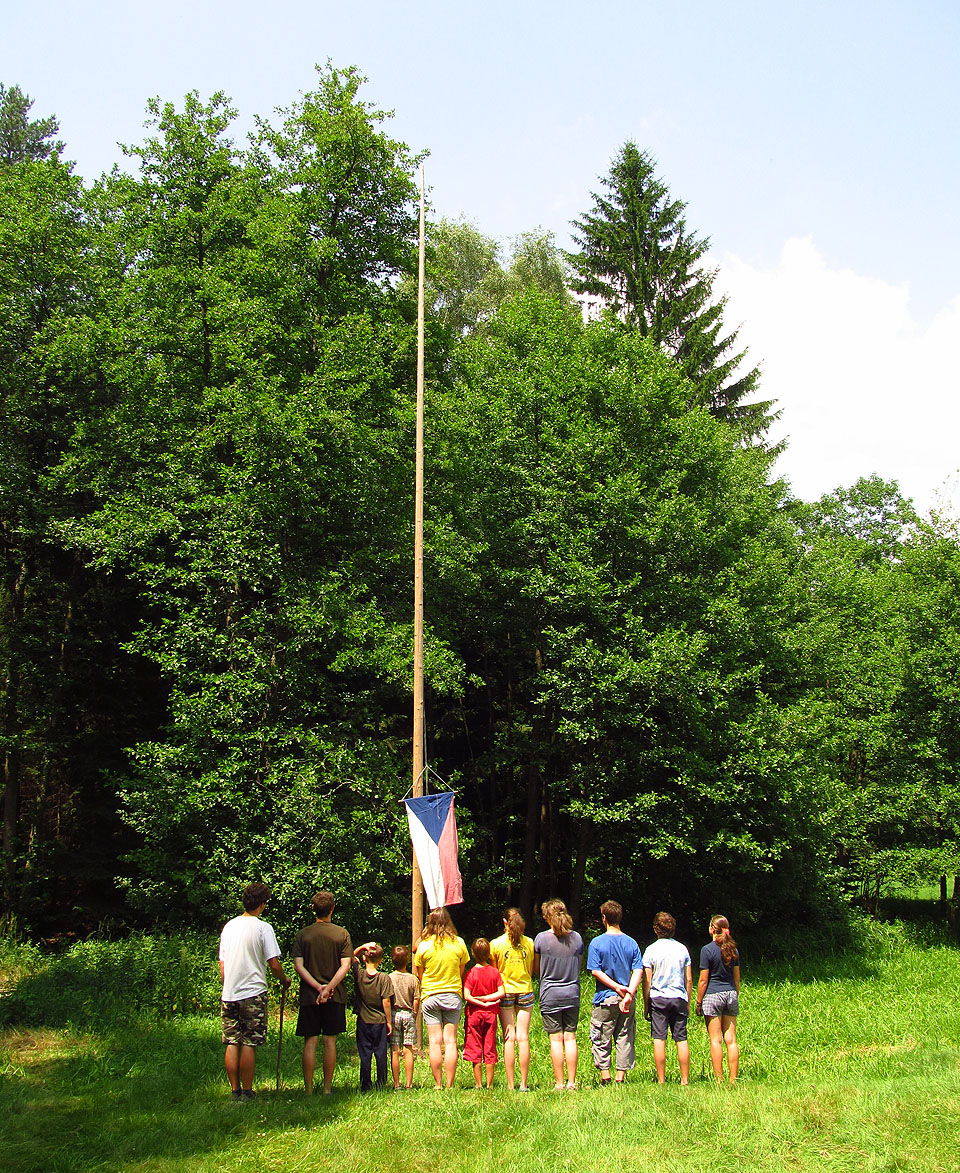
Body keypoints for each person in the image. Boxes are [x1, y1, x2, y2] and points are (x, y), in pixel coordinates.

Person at [218, 881, 291, 1101]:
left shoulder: (229, 926)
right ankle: (247, 1091)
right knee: (249, 1042)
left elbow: (222, 964)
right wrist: (284, 980)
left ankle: (234, 1091)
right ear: (261, 904)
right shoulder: (263, 928)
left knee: (232, 1041)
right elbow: (274, 963)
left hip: (229, 993)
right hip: (253, 993)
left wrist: (228, 984)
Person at [292, 890, 352, 1094]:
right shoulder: (342, 933)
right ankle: (327, 1088)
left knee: (310, 1041)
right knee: (329, 1041)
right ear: (332, 908)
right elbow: (345, 966)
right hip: (335, 996)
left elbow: (298, 966)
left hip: (310, 996)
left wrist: (317, 988)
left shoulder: (303, 934)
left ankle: (308, 1089)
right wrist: (328, 988)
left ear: (313, 909)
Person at [586, 899, 643, 1086]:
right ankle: (620, 1078)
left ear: (604, 918)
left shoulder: (596, 943)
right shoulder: (632, 942)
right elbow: (638, 970)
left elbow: (595, 971)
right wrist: (628, 994)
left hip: (604, 998)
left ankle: (605, 1077)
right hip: (626, 999)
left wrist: (615, 987)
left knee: (602, 1036)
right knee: (624, 1036)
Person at [413, 907, 469, 1089]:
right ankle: (450, 1084)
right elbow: (461, 971)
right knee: (451, 1041)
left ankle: (438, 1083)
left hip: (430, 996)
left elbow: (420, 974)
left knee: (434, 1042)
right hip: (453, 995)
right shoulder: (459, 943)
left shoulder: (424, 945)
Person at [533, 898, 584, 1090]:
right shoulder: (577, 938)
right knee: (570, 1038)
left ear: (547, 917)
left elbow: (537, 968)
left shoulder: (541, 939)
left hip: (550, 994)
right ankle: (572, 1082)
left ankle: (559, 1083)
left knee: (556, 1039)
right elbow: (578, 965)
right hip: (572, 993)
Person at [641, 911, 692, 1085]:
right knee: (681, 1038)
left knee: (659, 1038)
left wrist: (646, 1004)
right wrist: (688, 1002)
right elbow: (689, 979)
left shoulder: (650, 950)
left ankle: (661, 1080)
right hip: (679, 997)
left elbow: (647, 980)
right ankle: (685, 1079)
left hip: (658, 998)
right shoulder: (682, 949)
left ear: (656, 929)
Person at [490, 907, 535, 1090]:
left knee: (509, 1037)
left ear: (504, 923)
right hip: (525, 989)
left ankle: (510, 1084)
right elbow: (531, 970)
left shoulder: (496, 944)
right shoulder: (530, 943)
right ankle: (523, 1084)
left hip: (505, 992)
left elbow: (494, 971)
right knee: (523, 1037)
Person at [696, 914, 740, 1084]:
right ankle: (733, 1079)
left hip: (713, 996)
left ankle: (719, 1079)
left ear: (712, 929)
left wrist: (699, 1002)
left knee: (716, 1040)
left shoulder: (707, 950)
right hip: (730, 994)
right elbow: (736, 979)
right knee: (731, 1039)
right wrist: (734, 995)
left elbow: (703, 980)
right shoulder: (734, 950)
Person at [462, 938, 505, 1089]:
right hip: (491, 1014)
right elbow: (501, 992)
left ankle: (479, 1084)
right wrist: (489, 1001)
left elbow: (466, 995)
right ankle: (490, 1084)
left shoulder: (471, 973)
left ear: (473, 953)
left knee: (475, 1047)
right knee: (490, 1046)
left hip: (474, 1014)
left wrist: (479, 1001)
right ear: (489, 954)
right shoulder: (494, 972)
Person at [352, 941, 393, 1092]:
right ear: (381, 960)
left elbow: (350, 956)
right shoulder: (384, 978)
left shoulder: (359, 974)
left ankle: (365, 1084)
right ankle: (381, 1083)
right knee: (381, 1053)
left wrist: (362, 947)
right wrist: (389, 1021)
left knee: (365, 1054)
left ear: (363, 958)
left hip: (363, 1020)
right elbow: (386, 1001)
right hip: (380, 1022)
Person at [388, 945, 419, 1090]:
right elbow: (416, 999)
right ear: (408, 961)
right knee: (408, 1049)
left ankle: (396, 1083)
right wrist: (414, 1013)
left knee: (395, 1050)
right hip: (408, 1014)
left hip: (394, 1014)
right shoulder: (413, 979)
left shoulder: (389, 978)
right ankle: (409, 1084)